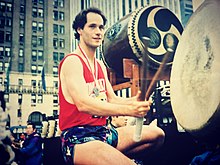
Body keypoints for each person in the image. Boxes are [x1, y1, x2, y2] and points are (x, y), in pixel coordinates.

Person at [58, 7, 165, 165]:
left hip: (104, 133)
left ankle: (113, 157)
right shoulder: (72, 61)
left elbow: (111, 99)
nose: (99, 32)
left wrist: (134, 101)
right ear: (79, 29)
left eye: (101, 27)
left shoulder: (100, 65)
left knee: (157, 135)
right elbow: (83, 104)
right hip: (79, 139)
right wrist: (129, 110)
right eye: (92, 26)